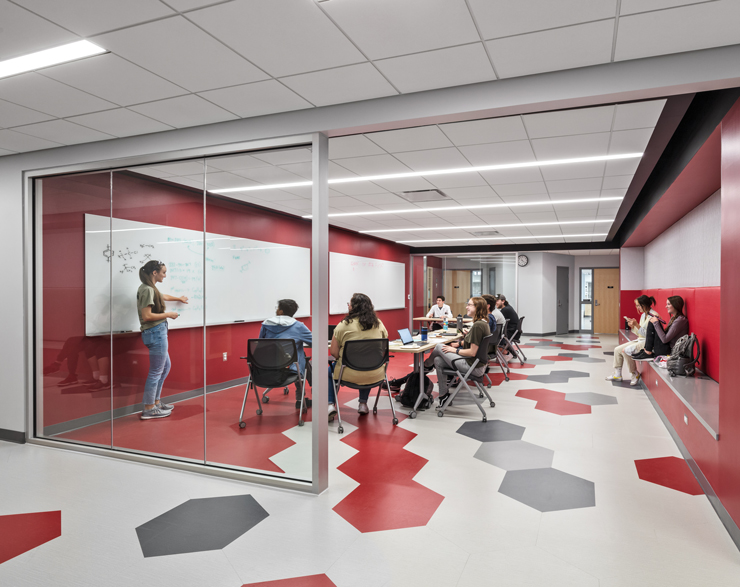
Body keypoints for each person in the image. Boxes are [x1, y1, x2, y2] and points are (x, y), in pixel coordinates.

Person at [137, 260, 188, 420]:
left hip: (158, 331)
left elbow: (161, 296)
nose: (165, 275)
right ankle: (149, 408)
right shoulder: (146, 289)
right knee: (156, 371)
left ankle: (156, 402)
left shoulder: (151, 288)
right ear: (154, 273)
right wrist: (168, 314)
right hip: (155, 332)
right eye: (163, 272)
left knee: (165, 367)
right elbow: (146, 316)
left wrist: (178, 298)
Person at [423, 297, 491, 406]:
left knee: (439, 346)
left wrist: (454, 350)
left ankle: (426, 366)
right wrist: (467, 336)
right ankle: (443, 396)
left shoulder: (478, 325)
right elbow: (475, 344)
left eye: (469, 305)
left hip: (472, 366)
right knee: (438, 360)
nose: (466, 307)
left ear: (477, 308)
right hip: (476, 364)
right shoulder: (482, 323)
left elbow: (472, 352)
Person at [330, 293, 388, 417]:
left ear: (353, 307)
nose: (348, 306)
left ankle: (330, 405)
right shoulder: (378, 323)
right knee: (367, 363)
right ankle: (363, 404)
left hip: (347, 373)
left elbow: (333, 352)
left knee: (328, 372)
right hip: (375, 373)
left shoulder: (343, 325)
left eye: (349, 304)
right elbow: (383, 348)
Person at [259, 299, 312, 406]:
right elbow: (315, 342)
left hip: (265, 368)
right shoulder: (299, 326)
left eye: (277, 308)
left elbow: (261, 345)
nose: (276, 310)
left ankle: (306, 393)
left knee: (298, 357)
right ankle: (302, 398)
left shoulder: (266, 325)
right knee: (302, 357)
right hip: (290, 369)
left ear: (281, 311)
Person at [605, 295, 658, 385]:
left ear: (644, 304)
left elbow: (649, 335)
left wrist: (637, 325)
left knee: (625, 351)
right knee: (617, 350)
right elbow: (639, 333)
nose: (637, 307)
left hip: (648, 343)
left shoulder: (654, 316)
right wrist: (633, 327)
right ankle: (617, 374)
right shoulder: (643, 315)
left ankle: (634, 373)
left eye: (638, 305)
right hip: (640, 340)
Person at [633, 296, 688, 361]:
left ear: (676, 305)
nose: (666, 306)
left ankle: (647, 351)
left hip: (670, 351)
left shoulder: (680, 320)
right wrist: (657, 322)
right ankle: (646, 350)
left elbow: (664, 339)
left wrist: (656, 323)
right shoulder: (674, 318)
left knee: (653, 322)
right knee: (652, 321)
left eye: (668, 304)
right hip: (666, 347)